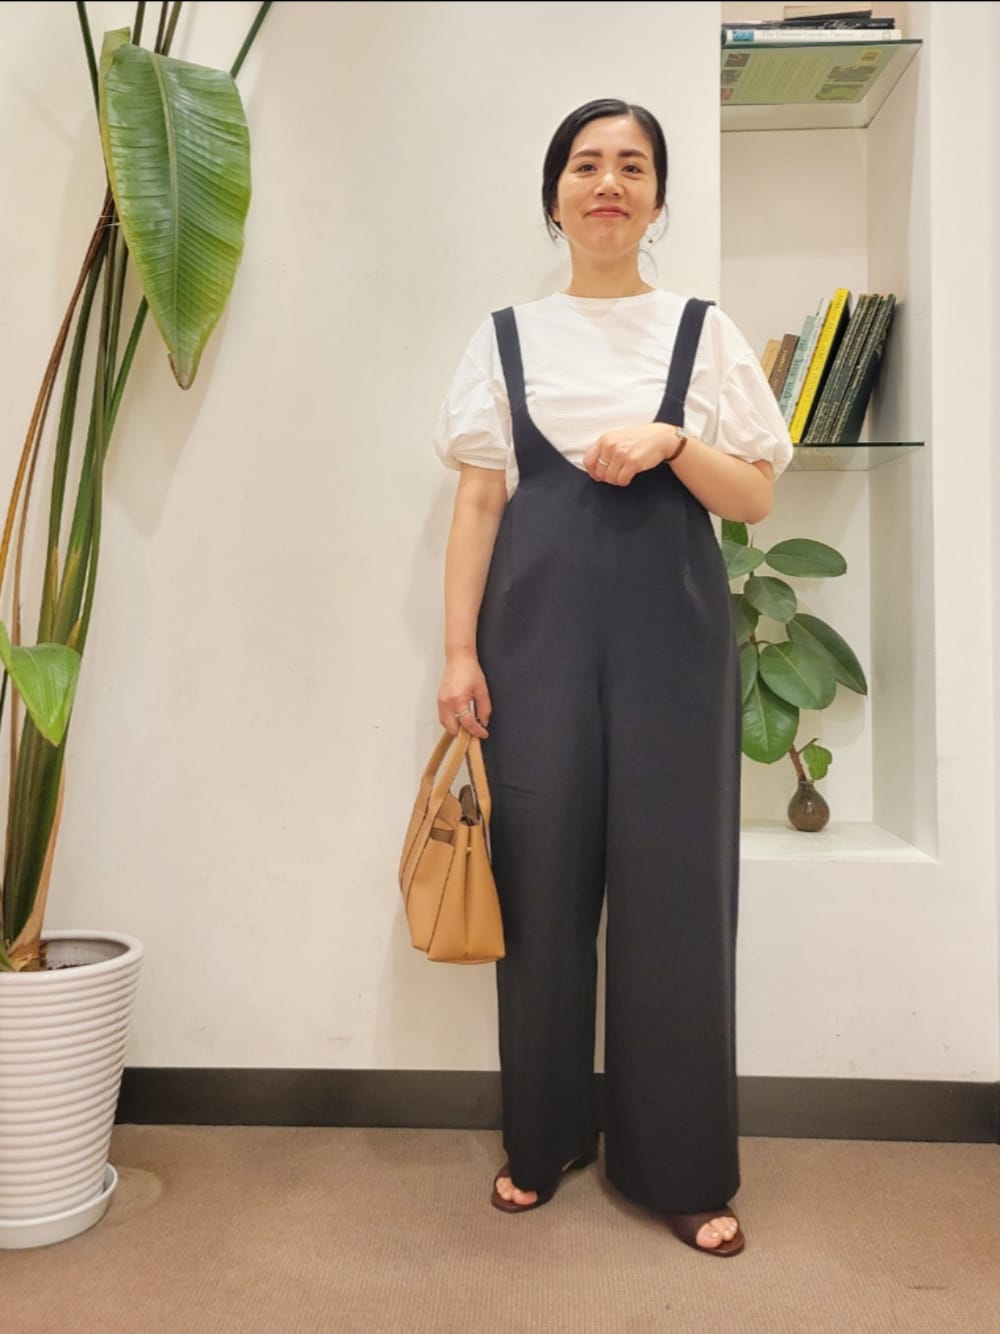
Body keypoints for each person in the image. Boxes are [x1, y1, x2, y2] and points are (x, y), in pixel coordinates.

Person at [432, 98, 792, 1257]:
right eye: (586, 165)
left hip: (672, 649)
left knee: (676, 899)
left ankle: (677, 1166)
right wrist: (457, 650)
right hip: (532, 645)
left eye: (632, 166)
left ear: (656, 198)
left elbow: (755, 497)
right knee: (537, 888)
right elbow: (478, 500)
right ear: (554, 197)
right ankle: (541, 1139)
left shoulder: (702, 332)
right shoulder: (504, 338)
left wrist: (673, 441)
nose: (607, 184)